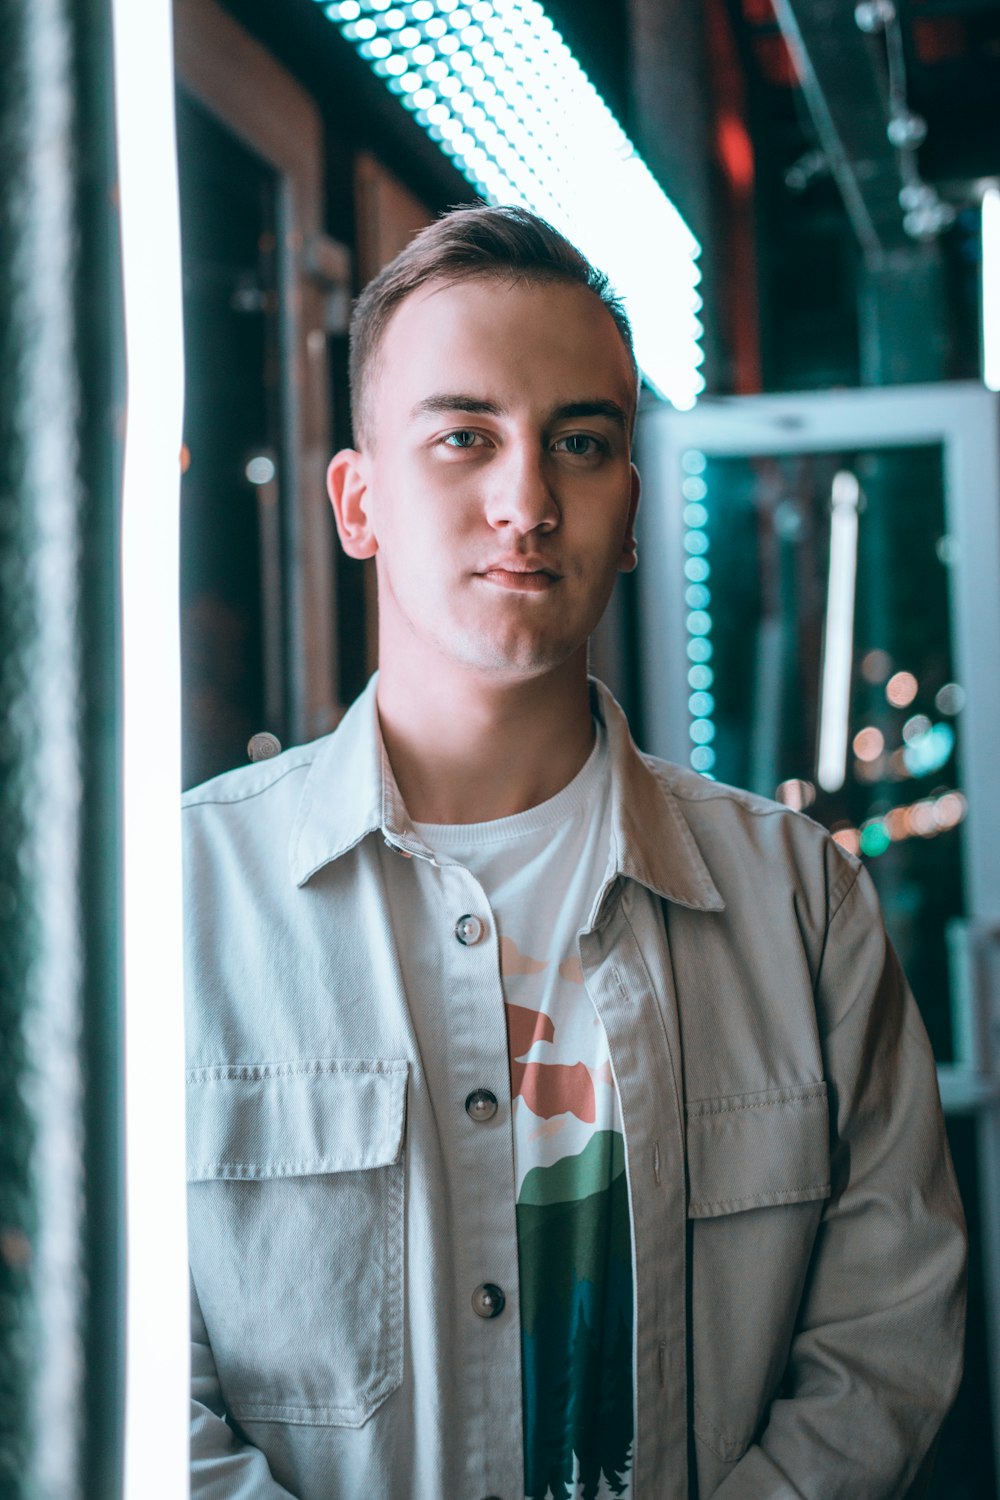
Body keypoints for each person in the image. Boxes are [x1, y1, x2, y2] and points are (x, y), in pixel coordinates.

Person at [183, 205, 967, 1500]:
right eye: (463, 437)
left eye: (579, 443)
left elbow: (885, 1346)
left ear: (633, 502)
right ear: (359, 501)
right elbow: (128, 1379)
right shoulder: (183, 905)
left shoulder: (799, 903)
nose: (527, 501)